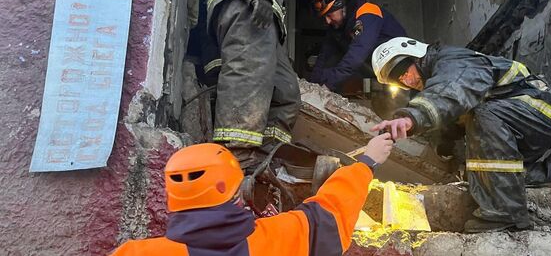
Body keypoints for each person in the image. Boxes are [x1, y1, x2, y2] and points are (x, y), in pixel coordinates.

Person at [370, 37, 551, 233]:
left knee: (482, 115)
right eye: (399, 79)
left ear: (416, 55)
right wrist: (444, 147)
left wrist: (413, 116)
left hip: (539, 109)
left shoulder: (451, 60)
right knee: (483, 178)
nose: (407, 81)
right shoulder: (438, 78)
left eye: (404, 71)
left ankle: (506, 212)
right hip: (517, 120)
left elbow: (454, 90)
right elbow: (452, 116)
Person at [110, 133, 395, 255]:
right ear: (236, 197)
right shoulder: (272, 241)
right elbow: (330, 213)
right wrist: (367, 162)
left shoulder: (136, 253)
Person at [205, 0, 299, 167]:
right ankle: (235, 157)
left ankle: (263, 159)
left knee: (286, 92)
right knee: (248, 77)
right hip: (246, 3)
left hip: (263, 15)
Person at [308, 0, 407, 93]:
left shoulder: (368, 12)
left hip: (398, 64)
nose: (327, 21)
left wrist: (328, 86)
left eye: (330, 15)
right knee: (329, 67)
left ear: (340, 5)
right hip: (373, 64)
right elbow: (324, 56)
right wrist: (313, 86)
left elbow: (356, 55)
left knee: (398, 100)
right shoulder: (337, 26)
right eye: (324, 17)